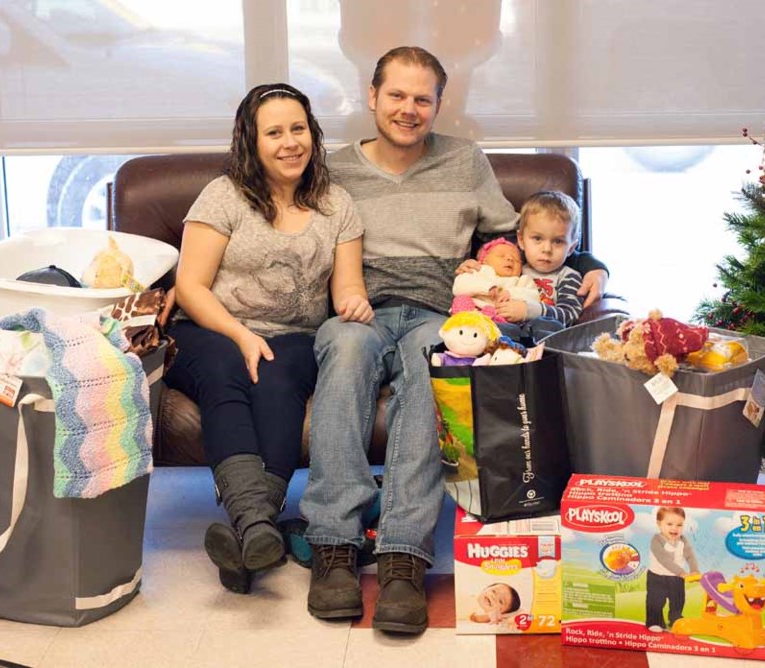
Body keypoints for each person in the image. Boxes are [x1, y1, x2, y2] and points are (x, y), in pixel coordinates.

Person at [299, 45, 609, 634]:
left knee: (430, 368)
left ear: (439, 106)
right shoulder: (332, 170)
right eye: (396, 95)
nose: (408, 109)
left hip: (439, 315)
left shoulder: (467, 162)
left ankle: (403, 556)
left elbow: (519, 238)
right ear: (372, 96)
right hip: (356, 310)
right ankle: (334, 543)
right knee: (342, 353)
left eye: (423, 98)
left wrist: (591, 260)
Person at [164, 83, 373, 595]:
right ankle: (257, 521)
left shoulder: (337, 204)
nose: (289, 143)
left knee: (279, 383)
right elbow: (189, 287)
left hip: (297, 335)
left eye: (298, 129)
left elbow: (348, 286)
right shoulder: (224, 196)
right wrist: (239, 334)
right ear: (251, 142)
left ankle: (251, 533)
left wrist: (354, 303)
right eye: (273, 132)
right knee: (225, 368)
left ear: (313, 133)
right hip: (209, 327)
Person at [457, 190, 585, 340]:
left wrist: (528, 311)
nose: (547, 249)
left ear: (571, 247)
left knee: (548, 326)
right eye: (537, 238)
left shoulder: (568, 277)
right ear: (521, 240)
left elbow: (569, 315)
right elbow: (486, 278)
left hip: (542, 337)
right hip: (504, 331)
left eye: (558, 241)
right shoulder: (513, 267)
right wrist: (472, 267)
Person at [450, 238, 540, 322]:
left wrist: (511, 293)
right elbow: (459, 286)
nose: (510, 259)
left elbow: (534, 298)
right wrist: (487, 288)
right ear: (483, 260)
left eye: (516, 260)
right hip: (474, 312)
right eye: (501, 256)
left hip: (503, 318)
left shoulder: (522, 280)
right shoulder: (480, 270)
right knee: (461, 300)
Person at [646, 507, 700, 632]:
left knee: (678, 599)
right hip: (657, 577)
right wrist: (681, 572)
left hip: (676, 578)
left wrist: (694, 570)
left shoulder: (683, 540)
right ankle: (654, 621)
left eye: (679, 525)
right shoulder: (656, 540)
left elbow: (690, 555)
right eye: (669, 524)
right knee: (655, 600)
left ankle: (676, 619)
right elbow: (664, 560)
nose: (674, 528)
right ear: (659, 524)